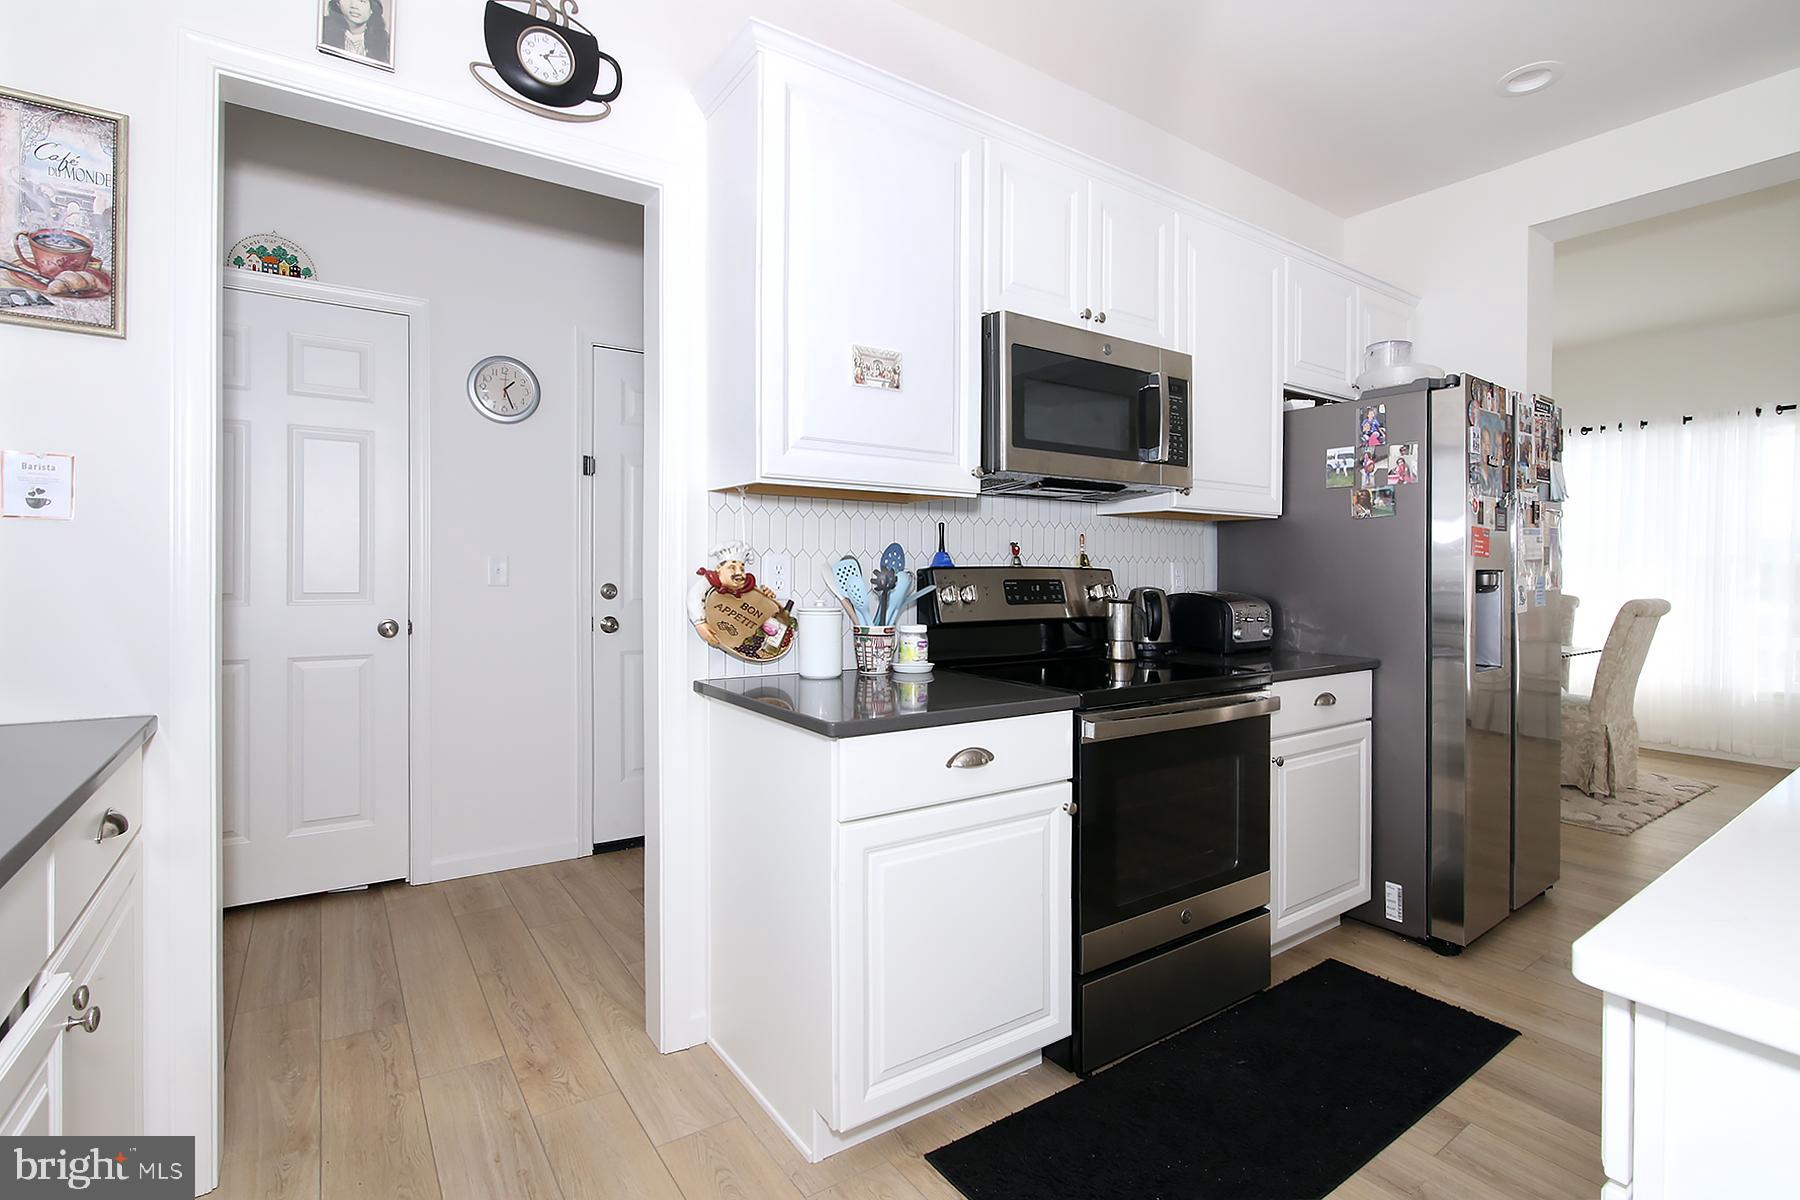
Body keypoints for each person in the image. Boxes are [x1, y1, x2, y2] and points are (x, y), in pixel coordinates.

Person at [322, 0, 391, 64]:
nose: (354, 6)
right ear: (338, 3)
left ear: (372, 8)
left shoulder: (385, 43)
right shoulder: (322, 30)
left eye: (362, 1)